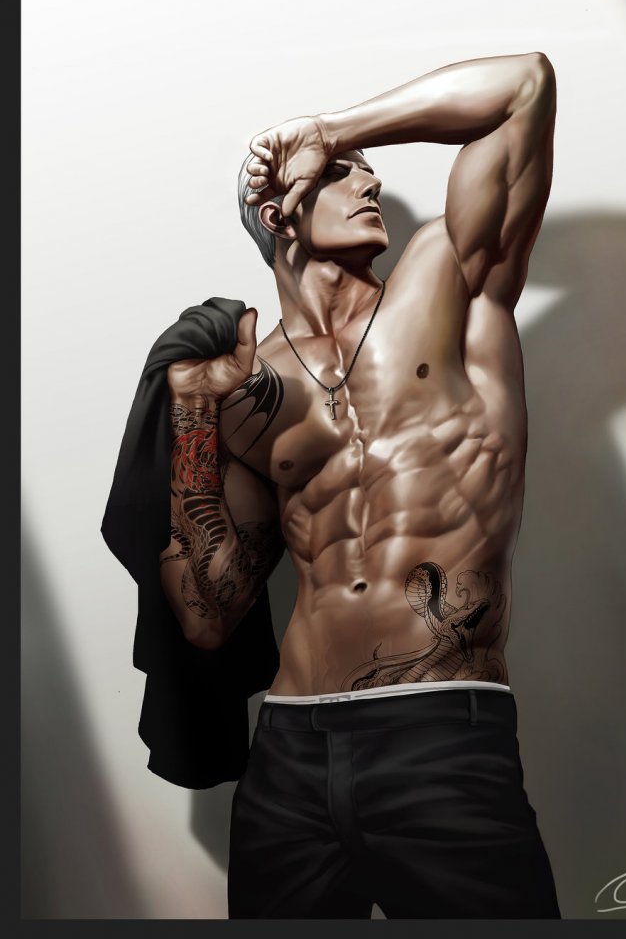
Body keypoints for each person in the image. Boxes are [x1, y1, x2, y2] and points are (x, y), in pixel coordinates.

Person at [159, 52, 560, 919]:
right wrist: (191, 418)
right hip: (288, 755)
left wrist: (330, 131)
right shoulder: (252, 387)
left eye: (365, 167)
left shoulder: (450, 281)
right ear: (279, 214)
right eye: (342, 174)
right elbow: (208, 612)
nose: (370, 179)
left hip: (440, 735)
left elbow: (522, 86)